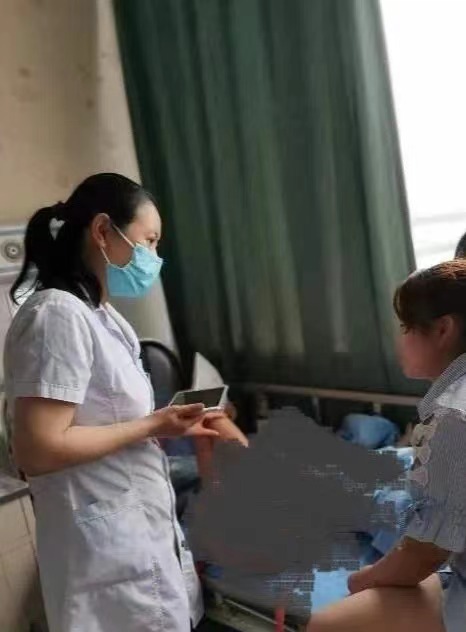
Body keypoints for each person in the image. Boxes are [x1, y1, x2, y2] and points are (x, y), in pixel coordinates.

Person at [4, 173, 248, 632]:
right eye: (149, 241)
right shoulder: (56, 314)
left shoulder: (102, 316)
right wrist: (153, 425)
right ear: (103, 231)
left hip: (135, 537)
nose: (154, 256)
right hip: (104, 557)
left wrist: (168, 426)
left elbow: (106, 420)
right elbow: (37, 450)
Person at [306, 260, 466, 632]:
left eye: (406, 327)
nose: (400, 340)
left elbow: (426, 551)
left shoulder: (454, 418)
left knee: (327, 624)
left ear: (443, 329)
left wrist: (364, 579)